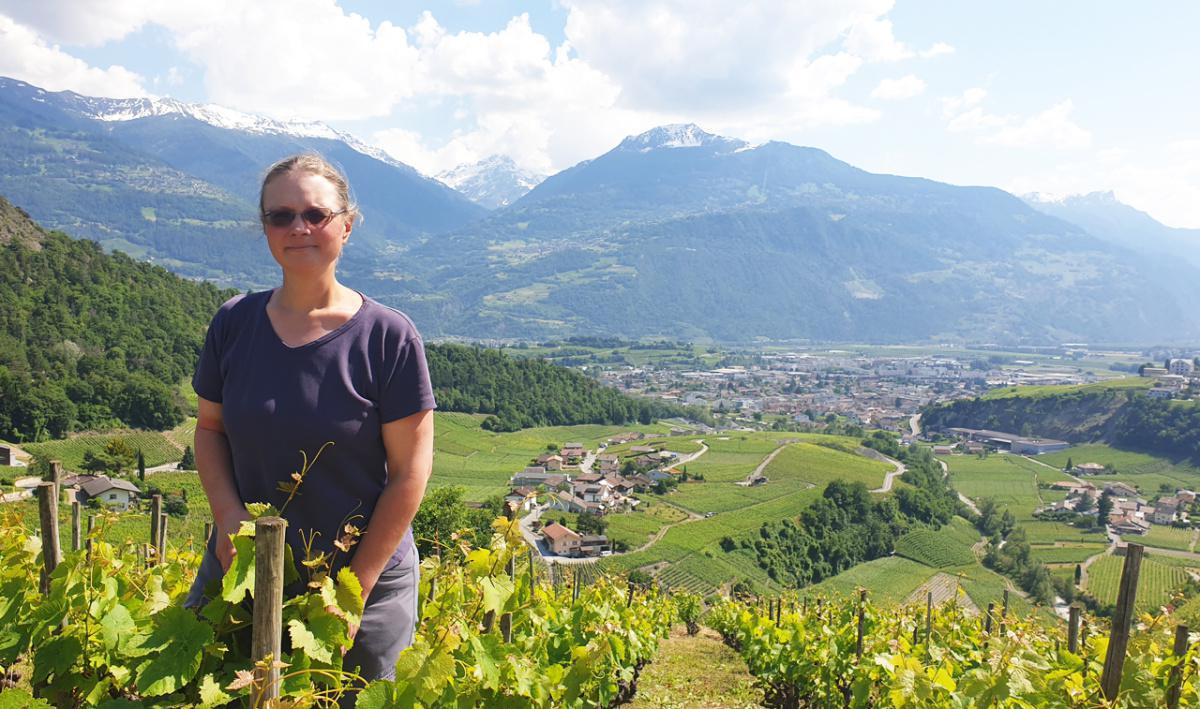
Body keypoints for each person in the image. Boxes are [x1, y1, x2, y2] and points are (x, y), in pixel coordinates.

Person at [185, 153, 436, 684]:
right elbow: (209, 430)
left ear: (346, 224)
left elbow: (410, 474)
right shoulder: (233, 323)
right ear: (266, 229)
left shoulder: (388, 337)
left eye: (315, 214)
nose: (298, 227)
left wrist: (355, 589)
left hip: (360, 579)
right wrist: (229, 523)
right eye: (281, 216)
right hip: (243, 566)